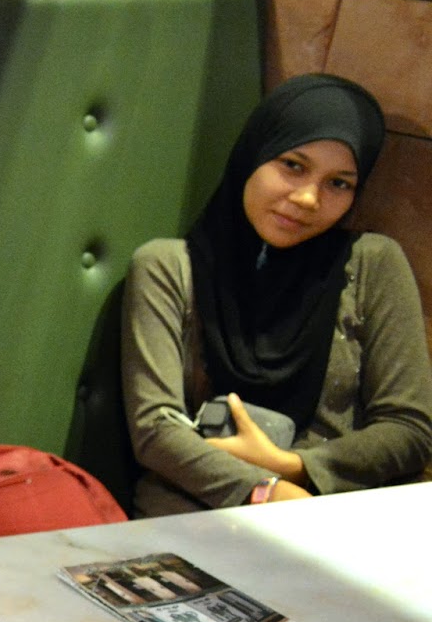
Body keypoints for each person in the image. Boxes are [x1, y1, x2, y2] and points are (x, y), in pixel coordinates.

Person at [121, 72, 432, 517]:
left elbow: (410, 429)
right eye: (293, 165)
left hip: (332, 516)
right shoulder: (168, 267)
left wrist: (296, 468)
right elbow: (155, 430)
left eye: (338, 183)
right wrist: (264, 490)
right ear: (254, 154)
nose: (308, 198)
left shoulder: (372, 263)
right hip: (195, 513)